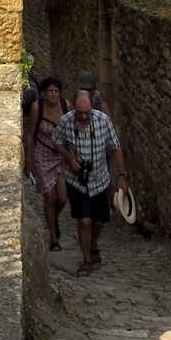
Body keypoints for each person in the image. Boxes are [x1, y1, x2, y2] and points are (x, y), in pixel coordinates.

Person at [52, 86, 128, 275]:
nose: (84, 117)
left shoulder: (103, 121)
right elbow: (57, 142)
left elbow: (116, 147)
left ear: (92, 108)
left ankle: (93, 244)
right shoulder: (66, 121)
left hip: (100, 179)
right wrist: (70, 159)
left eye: (87, 113)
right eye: (80, 113)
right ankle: (86, 259)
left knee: (99, 221)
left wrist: (122, 176)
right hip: (76, 180)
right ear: (74, 110)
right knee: (84, 220)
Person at [23, 75, 69, 247]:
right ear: (44, 93)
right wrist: (28, 161)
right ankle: (53, 238)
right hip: (42, 154)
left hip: (60, 155)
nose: (53, 94)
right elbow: (29, 134)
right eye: (50, 91)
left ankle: (53, 219)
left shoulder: (66, 106)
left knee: (62, 198)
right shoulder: (37, 108)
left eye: (56, 91)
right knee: (49, 196)